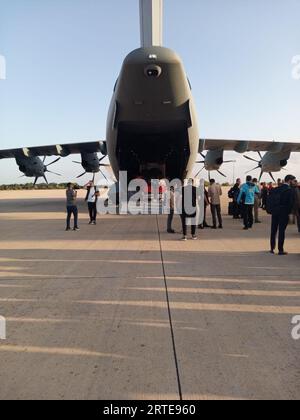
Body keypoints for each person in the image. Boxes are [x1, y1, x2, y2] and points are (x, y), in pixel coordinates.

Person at [269, 175, 296, 255]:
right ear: (289, 180)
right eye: (294, 180)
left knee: (273, 230)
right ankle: (280, 250)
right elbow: (291, 203)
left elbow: (271, 200)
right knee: (281, 231)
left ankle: (272, 248)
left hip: (275, 211)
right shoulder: (289, 190)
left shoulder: (276, 189)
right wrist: (290, 213)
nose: (294, 182)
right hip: (284, 212)